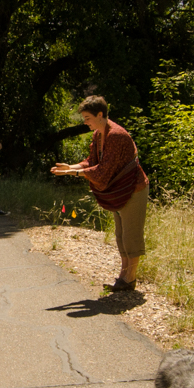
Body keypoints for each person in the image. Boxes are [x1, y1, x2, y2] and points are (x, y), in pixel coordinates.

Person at [51, 96, 148, 292]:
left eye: (87, 117)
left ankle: (130, 278)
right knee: (120, 234)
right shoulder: (98, 134)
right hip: (119, 190)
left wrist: (74, 172)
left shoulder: (116, 135)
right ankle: (124, 274)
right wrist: (70, 167)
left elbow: (103, 171)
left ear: (100, 115)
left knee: (131, 235)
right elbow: (91, 161)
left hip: (133, 189)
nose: (85, 122)